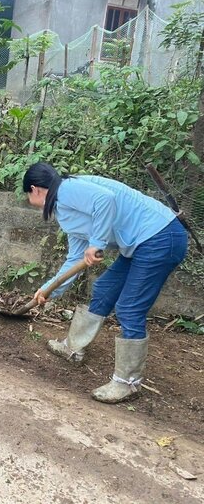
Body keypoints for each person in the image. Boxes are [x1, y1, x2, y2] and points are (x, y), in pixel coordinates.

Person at [23, 162, 188, 403]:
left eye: (27, 194)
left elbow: (106, 200)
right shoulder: (66, 211)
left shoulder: (67, 189)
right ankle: (73, 347)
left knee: (129, 308)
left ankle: (128, 383)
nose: (29, 199)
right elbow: (75, 260)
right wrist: (50, 289)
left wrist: (97, 243)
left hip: (160, 237)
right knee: (104, 288)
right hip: (142, 243)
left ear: (36, 189)